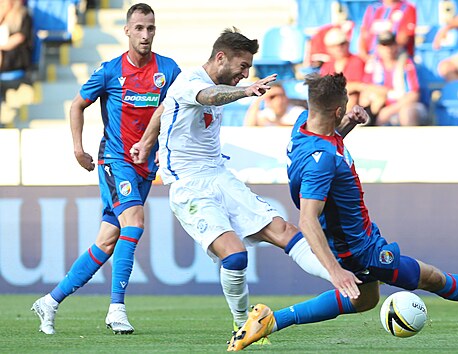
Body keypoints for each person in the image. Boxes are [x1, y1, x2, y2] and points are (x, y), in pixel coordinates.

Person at [226, 73, 458, 351]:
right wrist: (336, 271)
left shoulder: (303, 126)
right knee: (431, 277)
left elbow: (328, 137)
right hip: (360, 249)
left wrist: (348, 124)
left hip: (356, 237)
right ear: (336, 107)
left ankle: (272, 320)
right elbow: (307, 219)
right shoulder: (322, 159)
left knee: (364, 301)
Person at [129, 27, 331, 337]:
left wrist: (146, 142)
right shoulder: (191, 82)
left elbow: (163, 108)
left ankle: (341, 277)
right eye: (242, 66)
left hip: (220, 175)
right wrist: (246, 91)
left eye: (248, 69)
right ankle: (243, 325)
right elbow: (208, 97)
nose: (245, 73)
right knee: (235, 255)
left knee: (285, 231)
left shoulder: (191, 88)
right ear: (221, 57)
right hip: (190, 185)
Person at [31, 3, 181, 335]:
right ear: (127, 31)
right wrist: (77, 148)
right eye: (139, 28)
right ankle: (116, 308)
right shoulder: (111, 71)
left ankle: (50, 301)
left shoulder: (168, 70)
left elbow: (179, 109)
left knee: (107, 241)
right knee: (136, 222)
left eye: (151, 28)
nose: (145, 34)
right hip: (116, 160)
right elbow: (77, 104)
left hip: (144, 167)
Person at [359, 31, 427, 126]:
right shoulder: (373, 65)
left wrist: (390, 110)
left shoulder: (407, 63)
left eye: (391, 45)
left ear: (396, 46)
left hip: (403, 105)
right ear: (378, 48)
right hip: (381, 105)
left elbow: (414, 95)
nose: (388, 49)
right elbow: (366, 89)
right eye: (384, 45)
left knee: (407, 113)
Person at [319, 27, 365, 111]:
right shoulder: (327, 66)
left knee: (351, 98)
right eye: (334, 46)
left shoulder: (356, 61)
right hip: (333, 102)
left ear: (347, 44)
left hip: (353, 102)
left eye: (342, 44)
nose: (338, 48)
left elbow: (358, 86)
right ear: (328, 48)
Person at [0, 0, 32, 74]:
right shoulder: (2, 16)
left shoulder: (23, 16)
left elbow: (20, 37)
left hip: (15, 58)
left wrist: (2, 46)